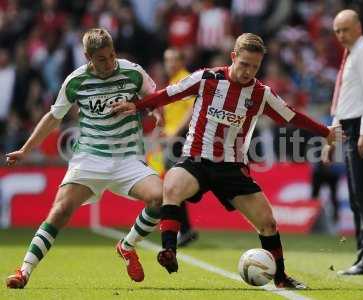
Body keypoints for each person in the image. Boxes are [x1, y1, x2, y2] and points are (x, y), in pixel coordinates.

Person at [113, 33, 342, 289]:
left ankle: (280, 277)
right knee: (172, 186)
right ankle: (169, 251)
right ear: (233, 57)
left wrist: (326, 131)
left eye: (254, 67)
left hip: (231, 167)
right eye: (244, 64)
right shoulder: (207, 78)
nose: (248, 71)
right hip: (196, 159)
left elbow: (292, 116)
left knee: (268, 222)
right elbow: (168, 94)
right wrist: (139, 105)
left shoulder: (260, 93)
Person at [5, 28, 163, 289]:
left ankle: (127, 245)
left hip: (128, 159)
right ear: (88, 57)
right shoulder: (76, 81)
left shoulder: (132, 71)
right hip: (90, 158)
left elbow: (154, 99)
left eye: (111, 55)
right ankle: (24, 271)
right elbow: (53, 117)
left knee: (160, 198)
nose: (109, 62)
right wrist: (25, 149)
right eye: (101, 59)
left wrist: (155, 114)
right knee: (60, 211)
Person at [322, 10, 363, 275]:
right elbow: (344, 98)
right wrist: (332, 136)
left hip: (360, 126)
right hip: (349, 126)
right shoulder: (352, 55)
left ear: (358, 27)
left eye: (345, 29)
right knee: (357, 195)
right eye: (337, 30)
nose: (341, 35)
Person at [162, 48, 198, 247]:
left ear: (182, 61)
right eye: (167, 60)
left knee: (173, 186)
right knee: (172, 186)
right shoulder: (173, 81)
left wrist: (176, 132)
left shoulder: (185, 80)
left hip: (180, 139)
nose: (169, 64)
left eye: (174, 59)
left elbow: (193, 109)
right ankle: (185, 229)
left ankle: (182, 229)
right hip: (171, 138)